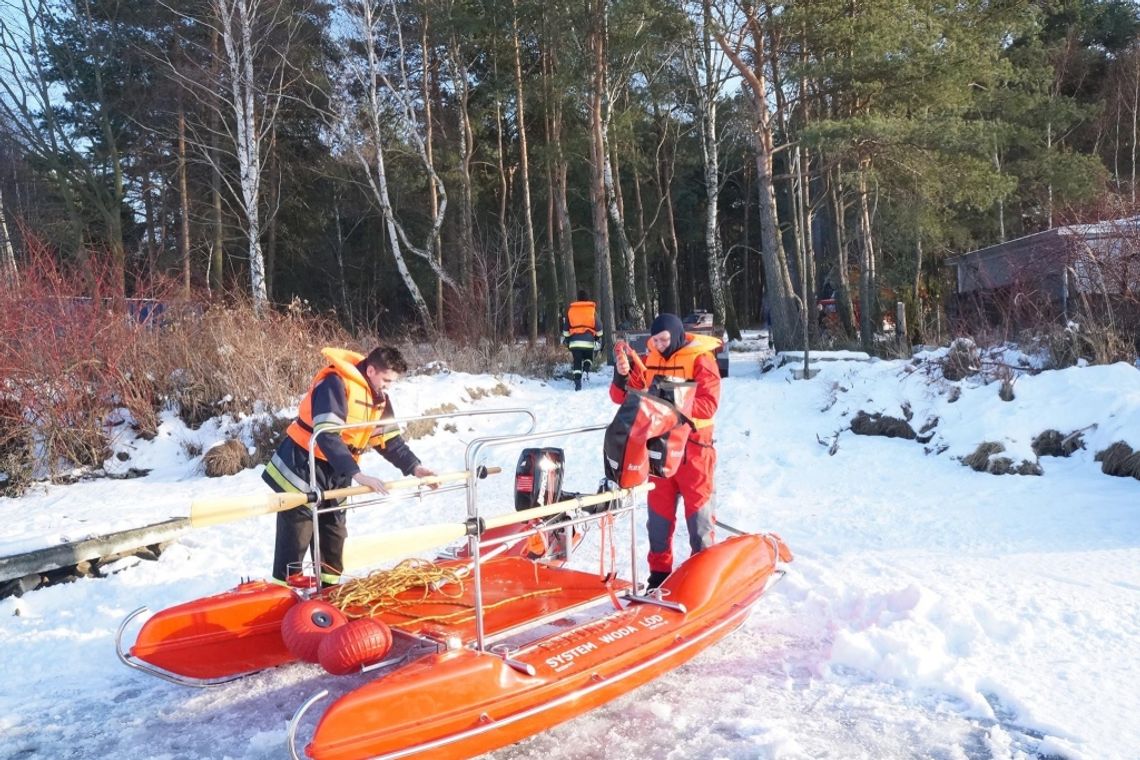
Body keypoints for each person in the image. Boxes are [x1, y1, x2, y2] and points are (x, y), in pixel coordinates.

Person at [262, 345, 436, 586]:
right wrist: (357, 474)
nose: (388, 386)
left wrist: (415, 467)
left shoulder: (380, 398)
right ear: (372, 370)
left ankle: (329, 592)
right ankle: (282, 594)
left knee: (333, 535)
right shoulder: (334, 383)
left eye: (392, 382)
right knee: (296, 537)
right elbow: (326, 434)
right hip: (302, 465)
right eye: (386, 380)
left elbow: (389, 441)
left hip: (337, 470)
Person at [610, 313, 721, 590]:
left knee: (700, 521)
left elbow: (708, 405)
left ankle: (702, 578)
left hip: (695, 452)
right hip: (659, 451)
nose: (658, 345)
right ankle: (658, 576)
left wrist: (670, 402)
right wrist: (621, 374)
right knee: (658, 521)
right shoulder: (649, 358)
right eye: (655, 340)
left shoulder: (701, 359)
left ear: (677, 334)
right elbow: (622, 396)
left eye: (664, 339)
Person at [562, 290, 603, 391]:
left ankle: (577, 384)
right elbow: (599, 326)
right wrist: (598, 336)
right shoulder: (591, 310)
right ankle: (586, 369)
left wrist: (567, 339)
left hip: (575, 342)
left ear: (578, 299)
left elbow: (566, 328)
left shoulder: (571, 310)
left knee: (577, 361)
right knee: (589, 357)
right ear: (587, 299)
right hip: (588, 341)